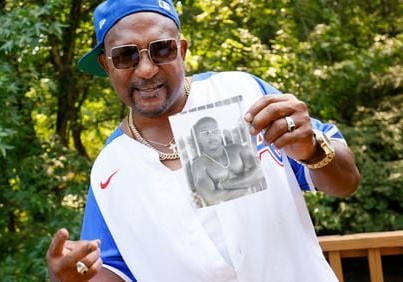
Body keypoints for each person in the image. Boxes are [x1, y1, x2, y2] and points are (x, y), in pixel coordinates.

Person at [46, 0, 360, 281]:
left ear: (181, 51)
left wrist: (313, 149)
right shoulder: (110, 168)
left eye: (162, 49)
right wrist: (69, 278)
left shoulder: (241, 95)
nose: (145, 69)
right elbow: (112, 271)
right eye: (125, 56)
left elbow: (346, 182)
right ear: (106, 65)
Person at [190, 116, 266, 206]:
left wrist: (224, 185)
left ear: (219, 133)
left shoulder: (238, 149)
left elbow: (260, 173)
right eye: (205, 133)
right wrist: (247, 185)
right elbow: (211, 198)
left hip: (256, 203)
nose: (211, 135)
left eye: (215, 131)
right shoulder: (199, 165)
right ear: (198, 138)